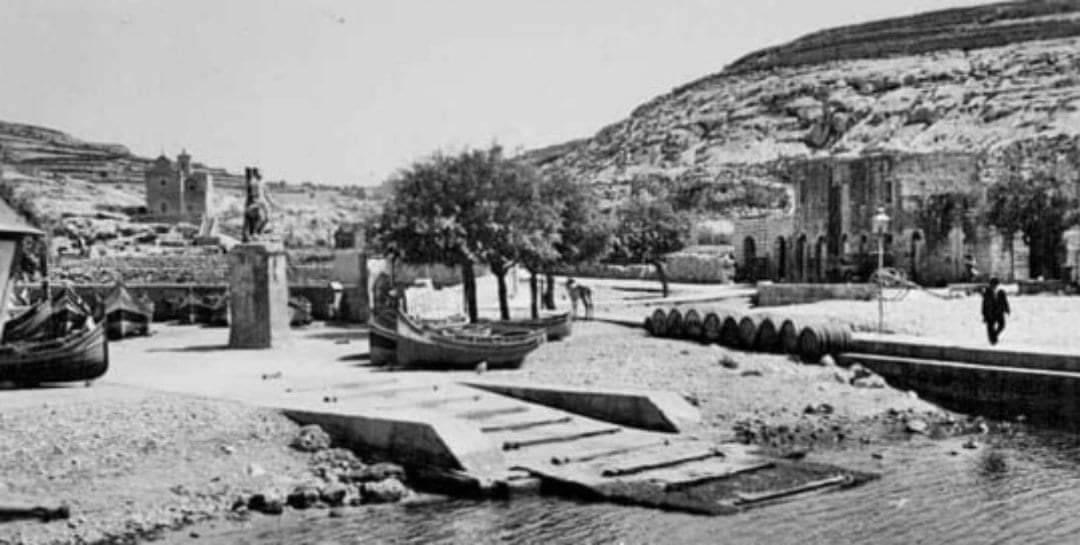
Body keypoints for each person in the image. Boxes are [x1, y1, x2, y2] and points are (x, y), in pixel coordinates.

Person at [981, 277, 1010, 345]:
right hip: (990, 312)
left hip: (998, 311)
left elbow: (1004, 301)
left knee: (1002, 325)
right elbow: (984, 304)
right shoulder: (987, 293)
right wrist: (984, 314)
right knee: (990, 327)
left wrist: (1007, 309)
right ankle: (993, 341)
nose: (994, 286)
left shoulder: (1001, 292)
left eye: (996, 284)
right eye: (993, 284)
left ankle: (994, 337)